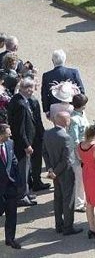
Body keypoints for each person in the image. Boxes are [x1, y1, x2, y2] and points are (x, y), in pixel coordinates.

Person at [42, 112, 82, 237]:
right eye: (69, 119)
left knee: (58, 198)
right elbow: (66, 160)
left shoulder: (47, 133)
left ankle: (58, 225)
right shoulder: (66, 137)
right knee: (68, 199)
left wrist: (50, 169)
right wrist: (55, 172)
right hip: (65, 173)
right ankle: (68, 227)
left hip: (54, 172)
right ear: (66, 122)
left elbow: (45, 152)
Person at [6, 77, 34, 206]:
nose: (33, 91)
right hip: (22, 145)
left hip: (20, 143)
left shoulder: (17, 99)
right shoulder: (21, 105)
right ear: (26, 89)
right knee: (23, 170)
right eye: (31, 88)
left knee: (25, 170)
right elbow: (20, 128)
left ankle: (26, 193)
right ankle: (22, 196)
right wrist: (26, 145)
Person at [0, 123, 20, 248]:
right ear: (1, 134)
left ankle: (10, 239)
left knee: (12, 215)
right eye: (8, 133)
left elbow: (13, 160)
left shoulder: (10, 143)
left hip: (10, 186)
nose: (11, 134)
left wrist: (17, 179)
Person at [66, 94, 87, 211]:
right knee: (79, 179)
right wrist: (80, 156)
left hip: (84, 150)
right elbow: (75, 140)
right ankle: (78, 204)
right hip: (78, 154)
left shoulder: (81, 114)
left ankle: (82, 200)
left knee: (82, 179)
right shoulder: (74, 119)